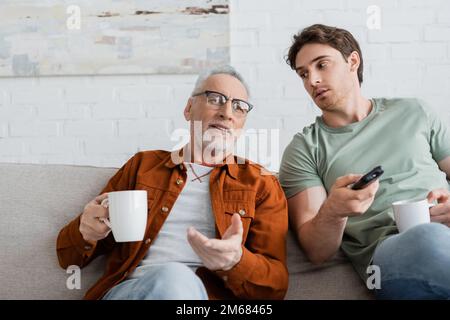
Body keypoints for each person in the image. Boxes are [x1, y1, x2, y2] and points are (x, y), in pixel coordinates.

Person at [57, 65, 289, 300]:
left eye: (239, 107)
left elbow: (275, 288)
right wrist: (86, 233)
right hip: (132, 292)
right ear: (188, 109)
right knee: (173, 276)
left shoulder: (261, 184)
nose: (227, 113)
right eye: (216, 99)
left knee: (177, 279)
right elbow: (68, 259)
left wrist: (236, 261)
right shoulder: (143, 166)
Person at [279, 24, 450, 299]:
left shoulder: (414, 111)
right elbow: (316, 251)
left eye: (322, 65)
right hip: (390, 257)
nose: (313, 80)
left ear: (352, 61)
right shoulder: (305, 148)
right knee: (427, 240)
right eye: (304, 74)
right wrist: (333, 212)